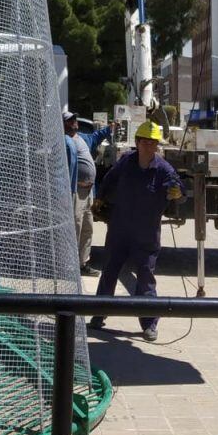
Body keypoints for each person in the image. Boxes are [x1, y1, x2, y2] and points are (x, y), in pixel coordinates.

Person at [88, 120, 184, 342]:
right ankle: (98, 315)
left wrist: (179, 193)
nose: (149, 146)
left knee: (145, 278)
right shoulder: (126, 162)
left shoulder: (164, 169)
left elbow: (179, 188)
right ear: (138, 142)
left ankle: (150, 324)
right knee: (110, 271)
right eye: (145, 142)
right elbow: (110, 178)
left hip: (146, 233)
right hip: (120, 229)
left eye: (153, 142)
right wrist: (100, 197)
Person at [63, 110, 111, 276]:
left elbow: (97, 136)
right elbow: (59, 169)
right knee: (74, 228)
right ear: (63, 124)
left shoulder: (82, 137)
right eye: (70, 120)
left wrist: (111, 128)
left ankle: (82, 264)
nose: (74, 121)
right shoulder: (63, 141)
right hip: (76, 192)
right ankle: (69, 266)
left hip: (88, 192)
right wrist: (76, 183)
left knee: (87, 229)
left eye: (75, 118)